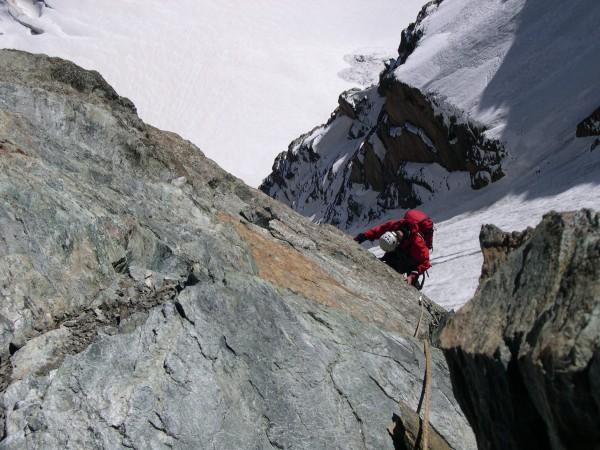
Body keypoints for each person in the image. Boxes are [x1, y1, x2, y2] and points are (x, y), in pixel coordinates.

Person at [354, 211, 432, 288]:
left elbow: (425, 262)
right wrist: (362, 237)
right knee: (388, 263)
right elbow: (377, 231)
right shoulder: (394, 225)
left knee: (411, 282)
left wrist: (413, 275)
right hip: (399, 251)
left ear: (396, 243)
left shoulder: (417, 243)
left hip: (412, 260)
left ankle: (414, 286)